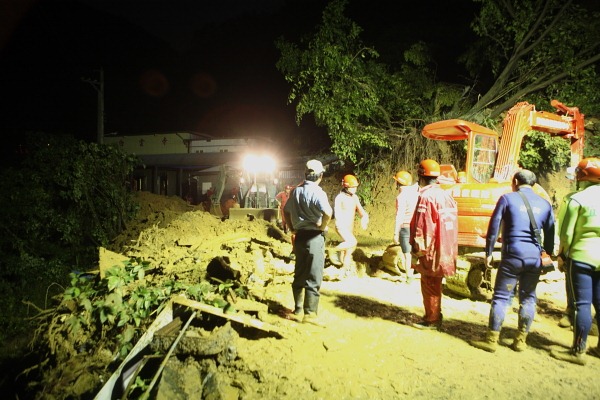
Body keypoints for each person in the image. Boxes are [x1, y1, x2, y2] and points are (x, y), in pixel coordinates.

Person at [471, 169, 555, 352]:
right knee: (529, 298)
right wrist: (547, 256)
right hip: (534, 258)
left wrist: (489, 252)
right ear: (534, 184)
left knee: (501, 297)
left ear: (515, 182)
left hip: (512, 256)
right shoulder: (545, 204)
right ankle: (520, 341)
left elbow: (494, 228)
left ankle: (491, 340)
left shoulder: (507, 199)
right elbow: (550, 235)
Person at [550, 158, 600, 365]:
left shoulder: (576, 200)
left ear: (581, 177)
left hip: (581, 257)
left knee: (581, 305)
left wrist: (562, 255)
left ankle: (578, 351)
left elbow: (566, 234)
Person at [410, 159, 458, 330]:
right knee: (436, 283)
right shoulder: (446, 195)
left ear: (421, 176)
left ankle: (432, 319)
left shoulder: (426, 197)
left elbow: (423, 227)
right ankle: (436, 314)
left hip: (432, 249)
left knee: (429, 283)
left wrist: (418, 250)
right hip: (447, 247)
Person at [283, 159, 333, 325]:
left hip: (300, 238)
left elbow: (286, 211)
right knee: (313, 275)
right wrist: (322, 226)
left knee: (299, 273)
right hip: (314, 238)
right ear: (320, 175)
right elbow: (328, 212)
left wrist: (292, 228)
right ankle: (310, 314)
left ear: (305, 174)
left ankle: (298, 310)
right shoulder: (318, 192)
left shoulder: (295, 192)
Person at [330, 174, 369, 274]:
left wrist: (364, 219)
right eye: (353, 187)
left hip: (350, 227)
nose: (355, 189)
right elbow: (337, 213)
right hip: (341, 226)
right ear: (346, 187)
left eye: (356, 187)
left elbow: (362, 212)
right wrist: (340, 225)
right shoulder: (340, 198)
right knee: (352, 242)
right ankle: (334, 250)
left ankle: (345, 269)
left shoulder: (354, 197)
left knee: (349, 249)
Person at [392, 170, 419, 282]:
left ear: (398, 183)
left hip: (405, 228)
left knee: (407, 254)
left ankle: (409, 277)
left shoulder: (401, 196)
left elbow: (399, 216)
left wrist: (395, 233)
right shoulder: (415, 193)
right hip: (416, 227)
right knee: (415, 252)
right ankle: (414, 273)